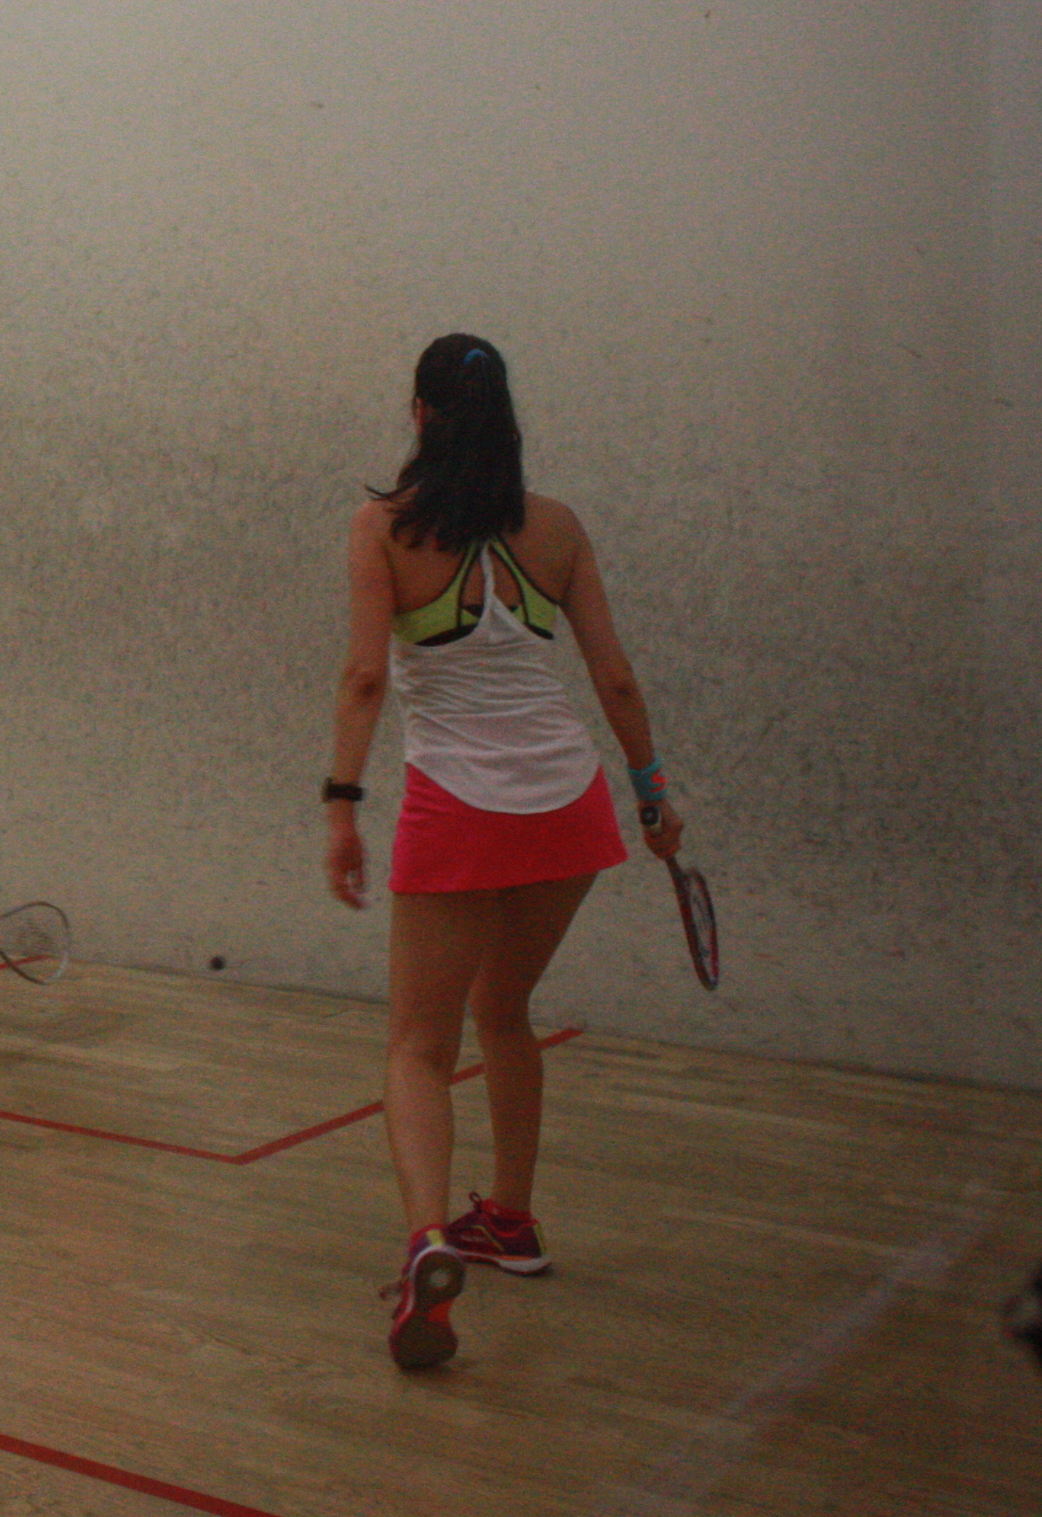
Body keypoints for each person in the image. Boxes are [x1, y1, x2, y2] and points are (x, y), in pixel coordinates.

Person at [320, 335, 688, 1371]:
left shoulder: (382, 528)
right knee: (505, 1009)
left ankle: (429, 1241)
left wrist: (341, 806)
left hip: (459, 810)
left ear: (419, 414)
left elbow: (364, 678)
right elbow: (615, 679)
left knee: (416, 1047)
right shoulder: (558, 527)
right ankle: (511, 1222)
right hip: (569, 808)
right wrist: (653, 793)